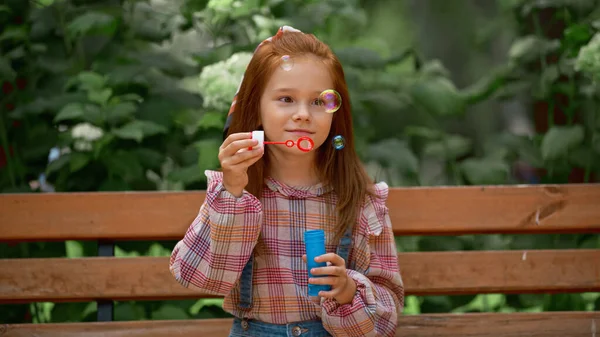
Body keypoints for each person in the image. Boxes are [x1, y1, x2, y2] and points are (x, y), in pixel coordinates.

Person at [169, 26, 404, 337]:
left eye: (320, 102)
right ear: (256, 110)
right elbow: (198, 277)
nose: (303, 114)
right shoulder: (234, 193)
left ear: (336, 114)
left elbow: (387, 316)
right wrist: (232, 192)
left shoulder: (361, 201)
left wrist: (348, 291)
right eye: (286, 99)